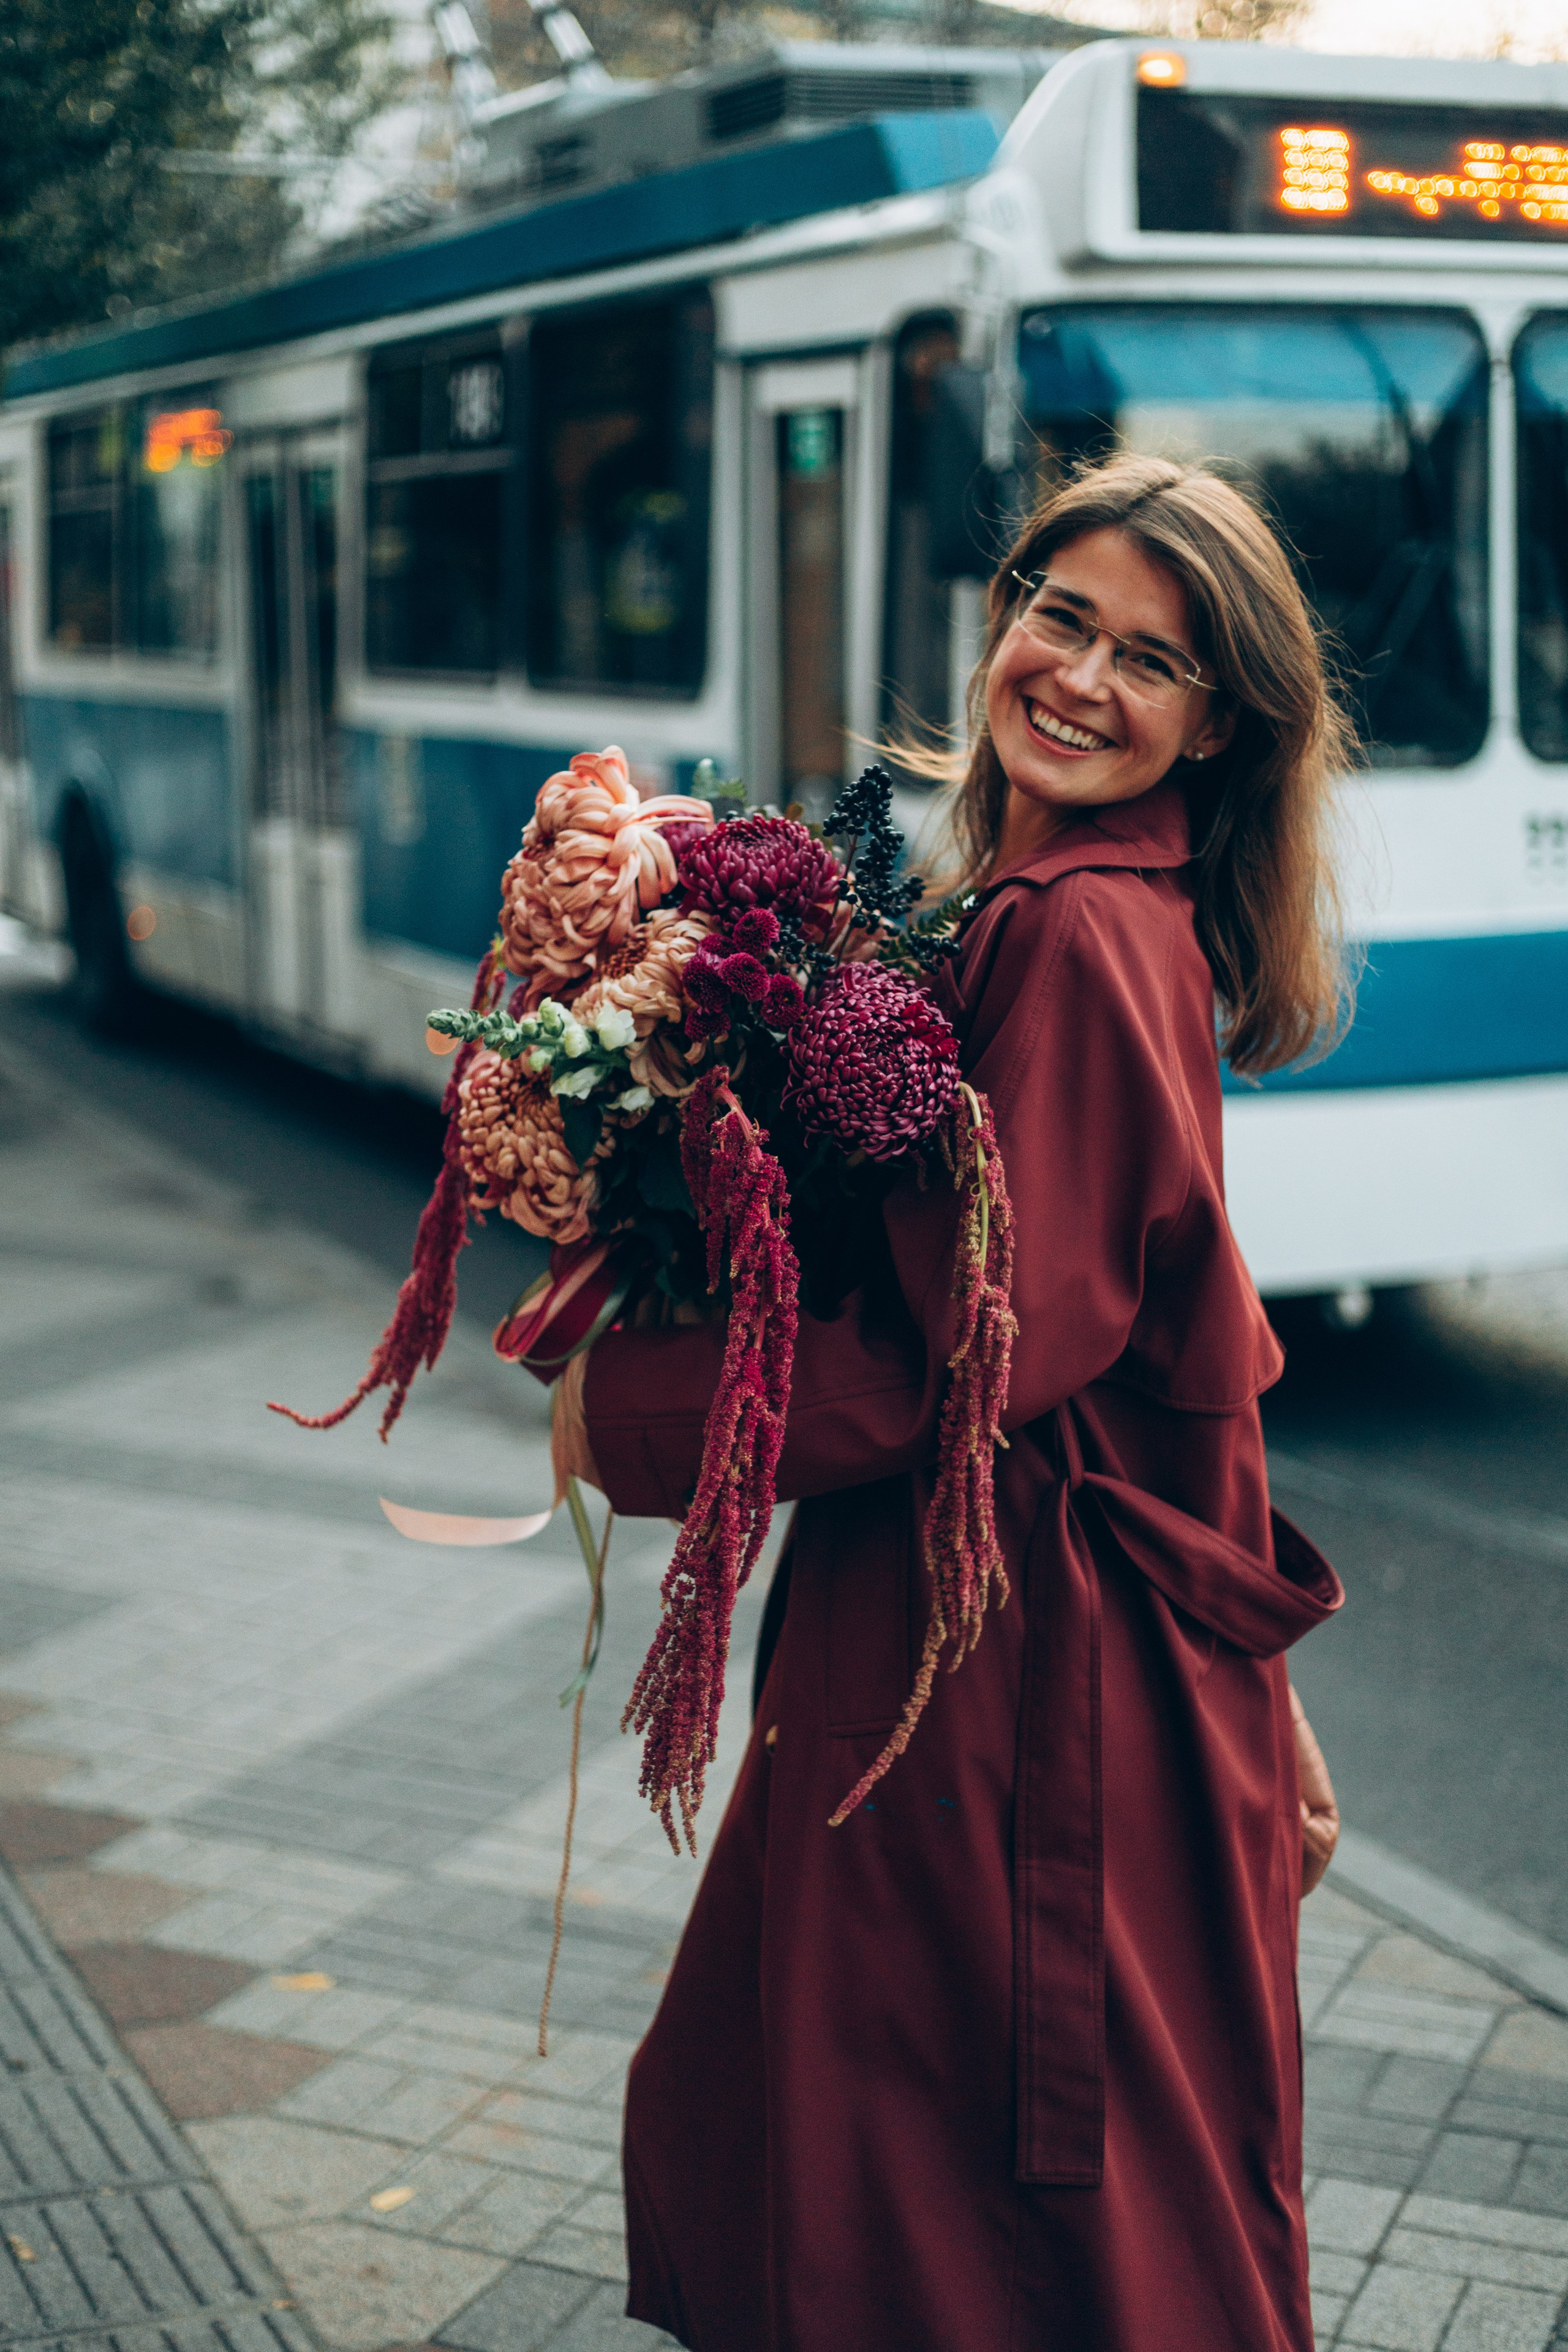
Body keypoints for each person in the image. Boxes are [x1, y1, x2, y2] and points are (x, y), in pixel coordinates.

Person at [552, 451, 1349, 2352]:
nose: (1080, 675)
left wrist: (630, 1417)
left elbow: (987, 1353)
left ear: (1218, 720)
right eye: (1059, 615)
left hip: (999, 1672)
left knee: (941, 2192)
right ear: (1003, 616)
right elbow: (1171, 1359)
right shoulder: (1079, 906)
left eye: (1150, 660)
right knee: (1002, 2177)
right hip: (1061, 1644)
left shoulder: (1066, 930)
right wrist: (1263, 1690)